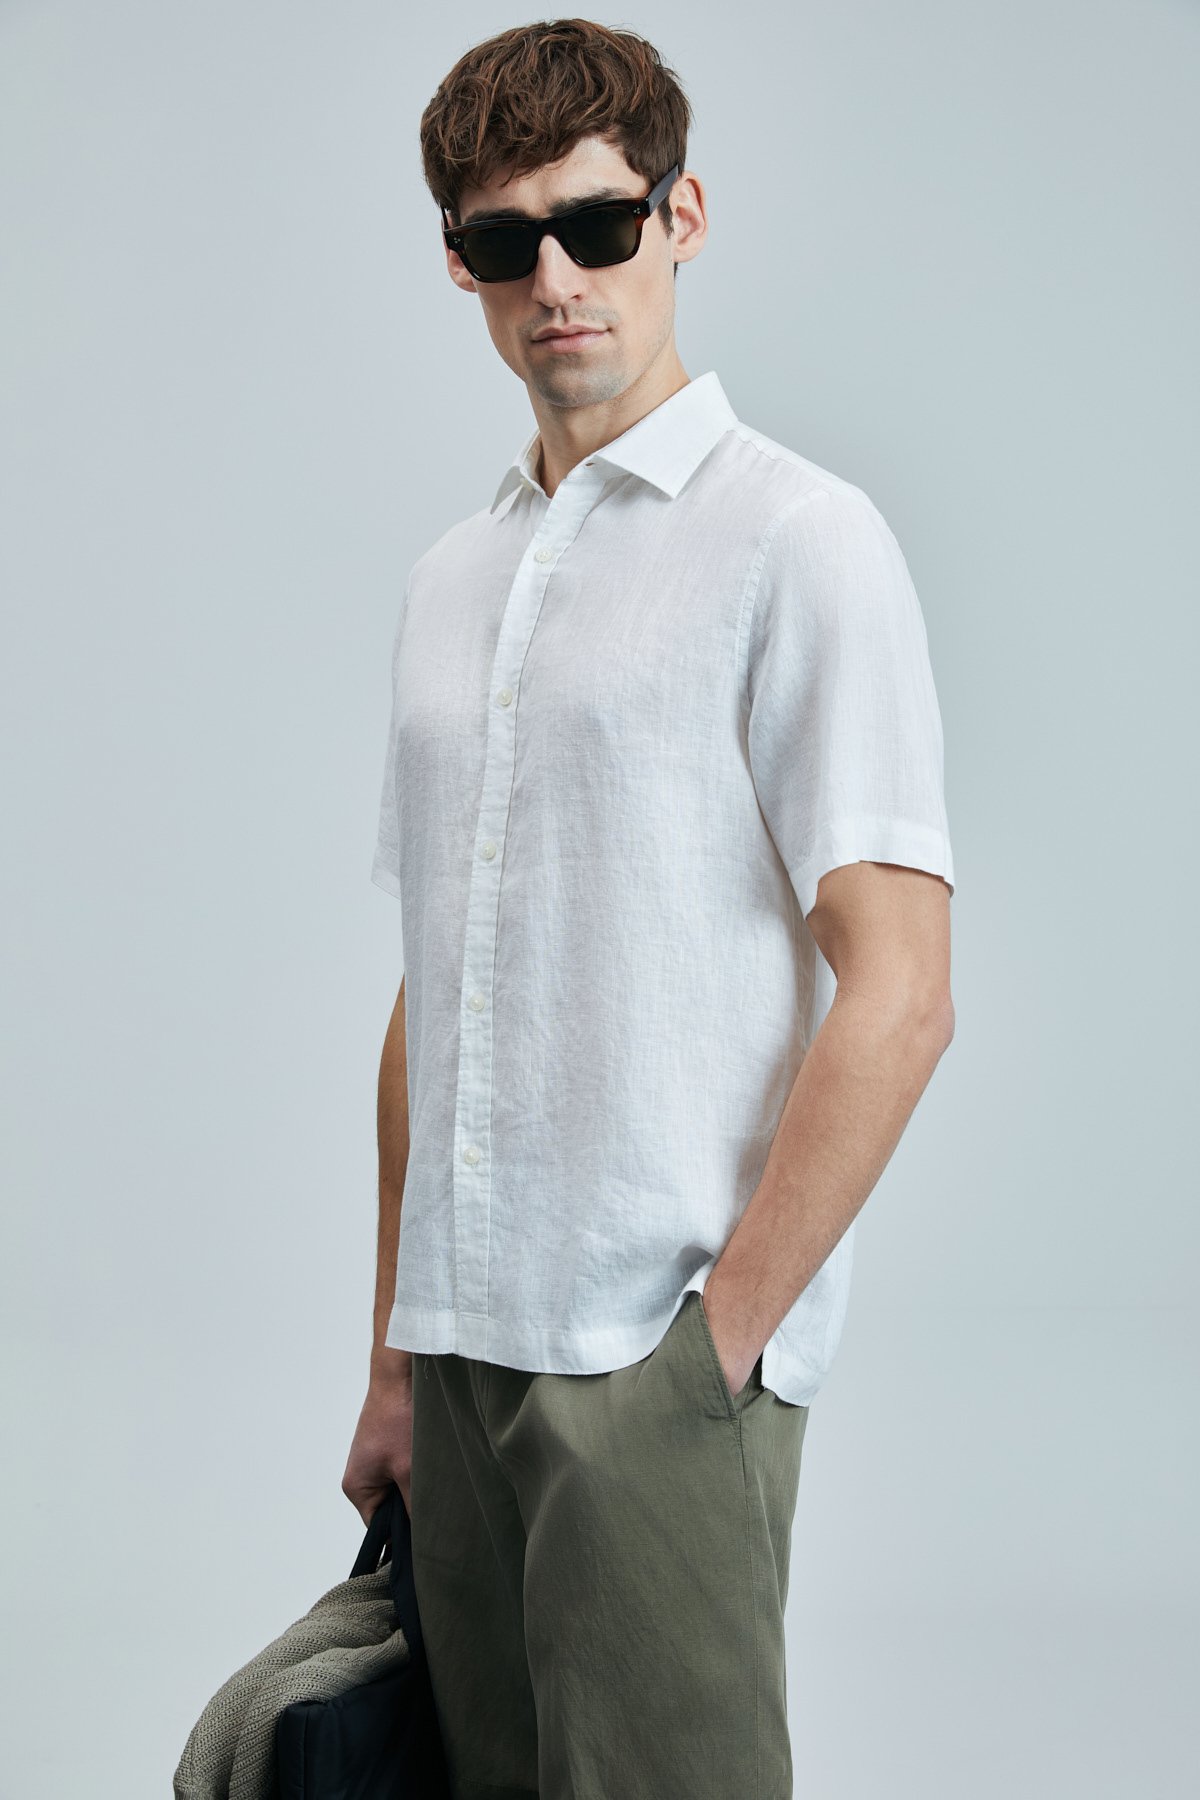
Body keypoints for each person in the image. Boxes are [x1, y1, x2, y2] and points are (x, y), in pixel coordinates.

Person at [343, 18, 956, 1800]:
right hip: (458, 1368)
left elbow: (903, 989)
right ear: (458, 263)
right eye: (502, 240)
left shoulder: (799, 540)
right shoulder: (450, 581)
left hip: (655, 1362)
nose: (555, 280)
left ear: (680, 217)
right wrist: (394, 1357)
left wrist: (716, 1350)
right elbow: (432, 993)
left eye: (597, 226)